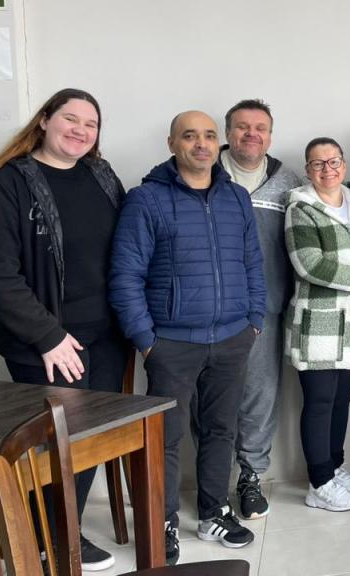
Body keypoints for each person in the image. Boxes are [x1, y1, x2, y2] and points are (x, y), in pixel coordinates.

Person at [0, 88, 124, 572]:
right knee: (56, 441)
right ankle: (44, 537)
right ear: (44, 121)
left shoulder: (102, 176)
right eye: (71, 119)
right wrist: (48, 337)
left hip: (106, 334)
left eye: (91, 124)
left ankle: (57, 528)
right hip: (47, 339)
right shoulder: (8, 184)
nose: (81, 130)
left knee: (91, 437)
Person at [110, 110, 265, 564]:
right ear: (172, 143)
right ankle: (163, 520)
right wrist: (146, 339)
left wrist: (253, 321)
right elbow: (125, 275)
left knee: (221, 429)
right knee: (166, 437)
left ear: (219, 144)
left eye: (209, 136)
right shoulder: (146, 199)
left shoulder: (236, 197)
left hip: (233, 337)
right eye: (190, 136)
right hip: (172, 343)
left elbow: (252, 263)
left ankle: (214, 511)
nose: (201, 144)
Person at [219, 99, 304, 520]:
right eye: (242, 126)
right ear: (228, 132)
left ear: (270, 135)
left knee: (259, 397)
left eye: (260, 128)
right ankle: (212, 482)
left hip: (264, 311)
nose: (251, 134)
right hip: (207, 313)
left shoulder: (287, 182)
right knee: (209, 401)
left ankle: (251, 477)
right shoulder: (203, 171)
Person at [286, 137, 350, 512]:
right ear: (308, 170)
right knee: (320, 402)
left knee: (341, 400)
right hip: (317, 323)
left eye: (333, 161)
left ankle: (335, 467)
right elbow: (311, 265)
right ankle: (318, 482)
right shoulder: (300, 208)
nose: (327, 169)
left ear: (344, 163)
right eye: (317, 164)